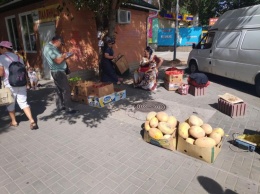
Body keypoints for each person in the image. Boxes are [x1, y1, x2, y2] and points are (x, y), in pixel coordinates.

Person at [0, 41, 38, 129]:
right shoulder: (18, 57)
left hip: (9, 84)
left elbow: (1, 73)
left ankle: (14, 121)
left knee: (10, 103)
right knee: (23, 102)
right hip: (21, 83)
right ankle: (32, 120)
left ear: (4, 48)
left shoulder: (1, 58)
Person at [43, 35, 78, 114]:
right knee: (66, 89)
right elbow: (58, 61)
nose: (60, 45)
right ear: (56, 41)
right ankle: (69, 108)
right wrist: (64, 56)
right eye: (60, 43)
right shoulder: (49, 48)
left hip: (57, 71)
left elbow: (60, 59)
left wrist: (66, 56)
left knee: (59, 89)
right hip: (58, 72)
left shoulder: (52, 48)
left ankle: (60, 106)